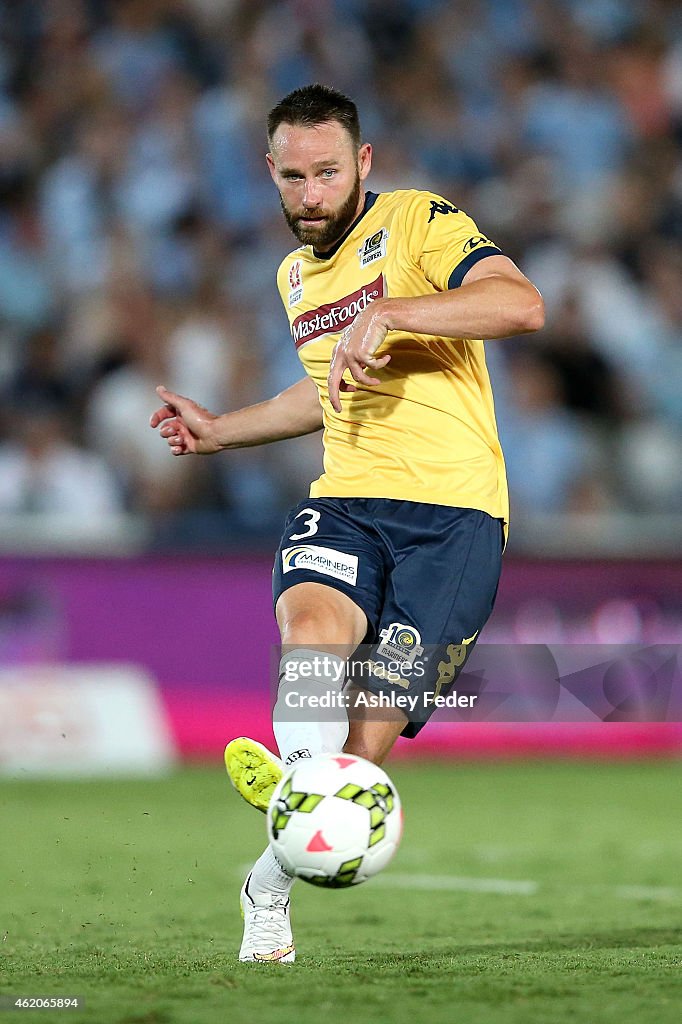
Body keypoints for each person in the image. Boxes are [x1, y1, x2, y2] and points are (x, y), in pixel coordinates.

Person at [149, 84, 544, 963]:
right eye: (294, 178)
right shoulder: (293, 277)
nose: (312, 194)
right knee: (313, 628)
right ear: (271, 175)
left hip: (458, 521)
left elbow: (521, 304)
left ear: (362, 163)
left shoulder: (418, 222)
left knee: (359, 762)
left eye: (328, 172)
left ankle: (266, 878)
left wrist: (391, 309)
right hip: (350, 498)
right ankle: (300, 781)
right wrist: (222, 430)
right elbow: (322, 390)